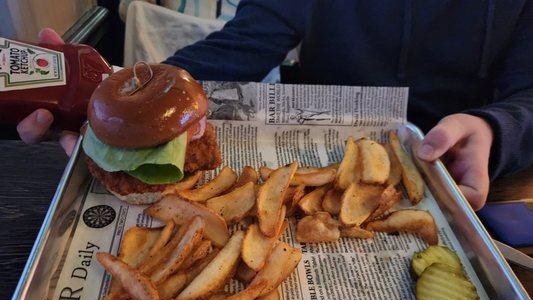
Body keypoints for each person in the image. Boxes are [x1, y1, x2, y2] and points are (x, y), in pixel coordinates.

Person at [17, 1, 533, 210]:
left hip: (464, 175)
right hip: (312, 150)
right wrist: (123, 91)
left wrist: (498, 127)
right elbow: (242, 43)